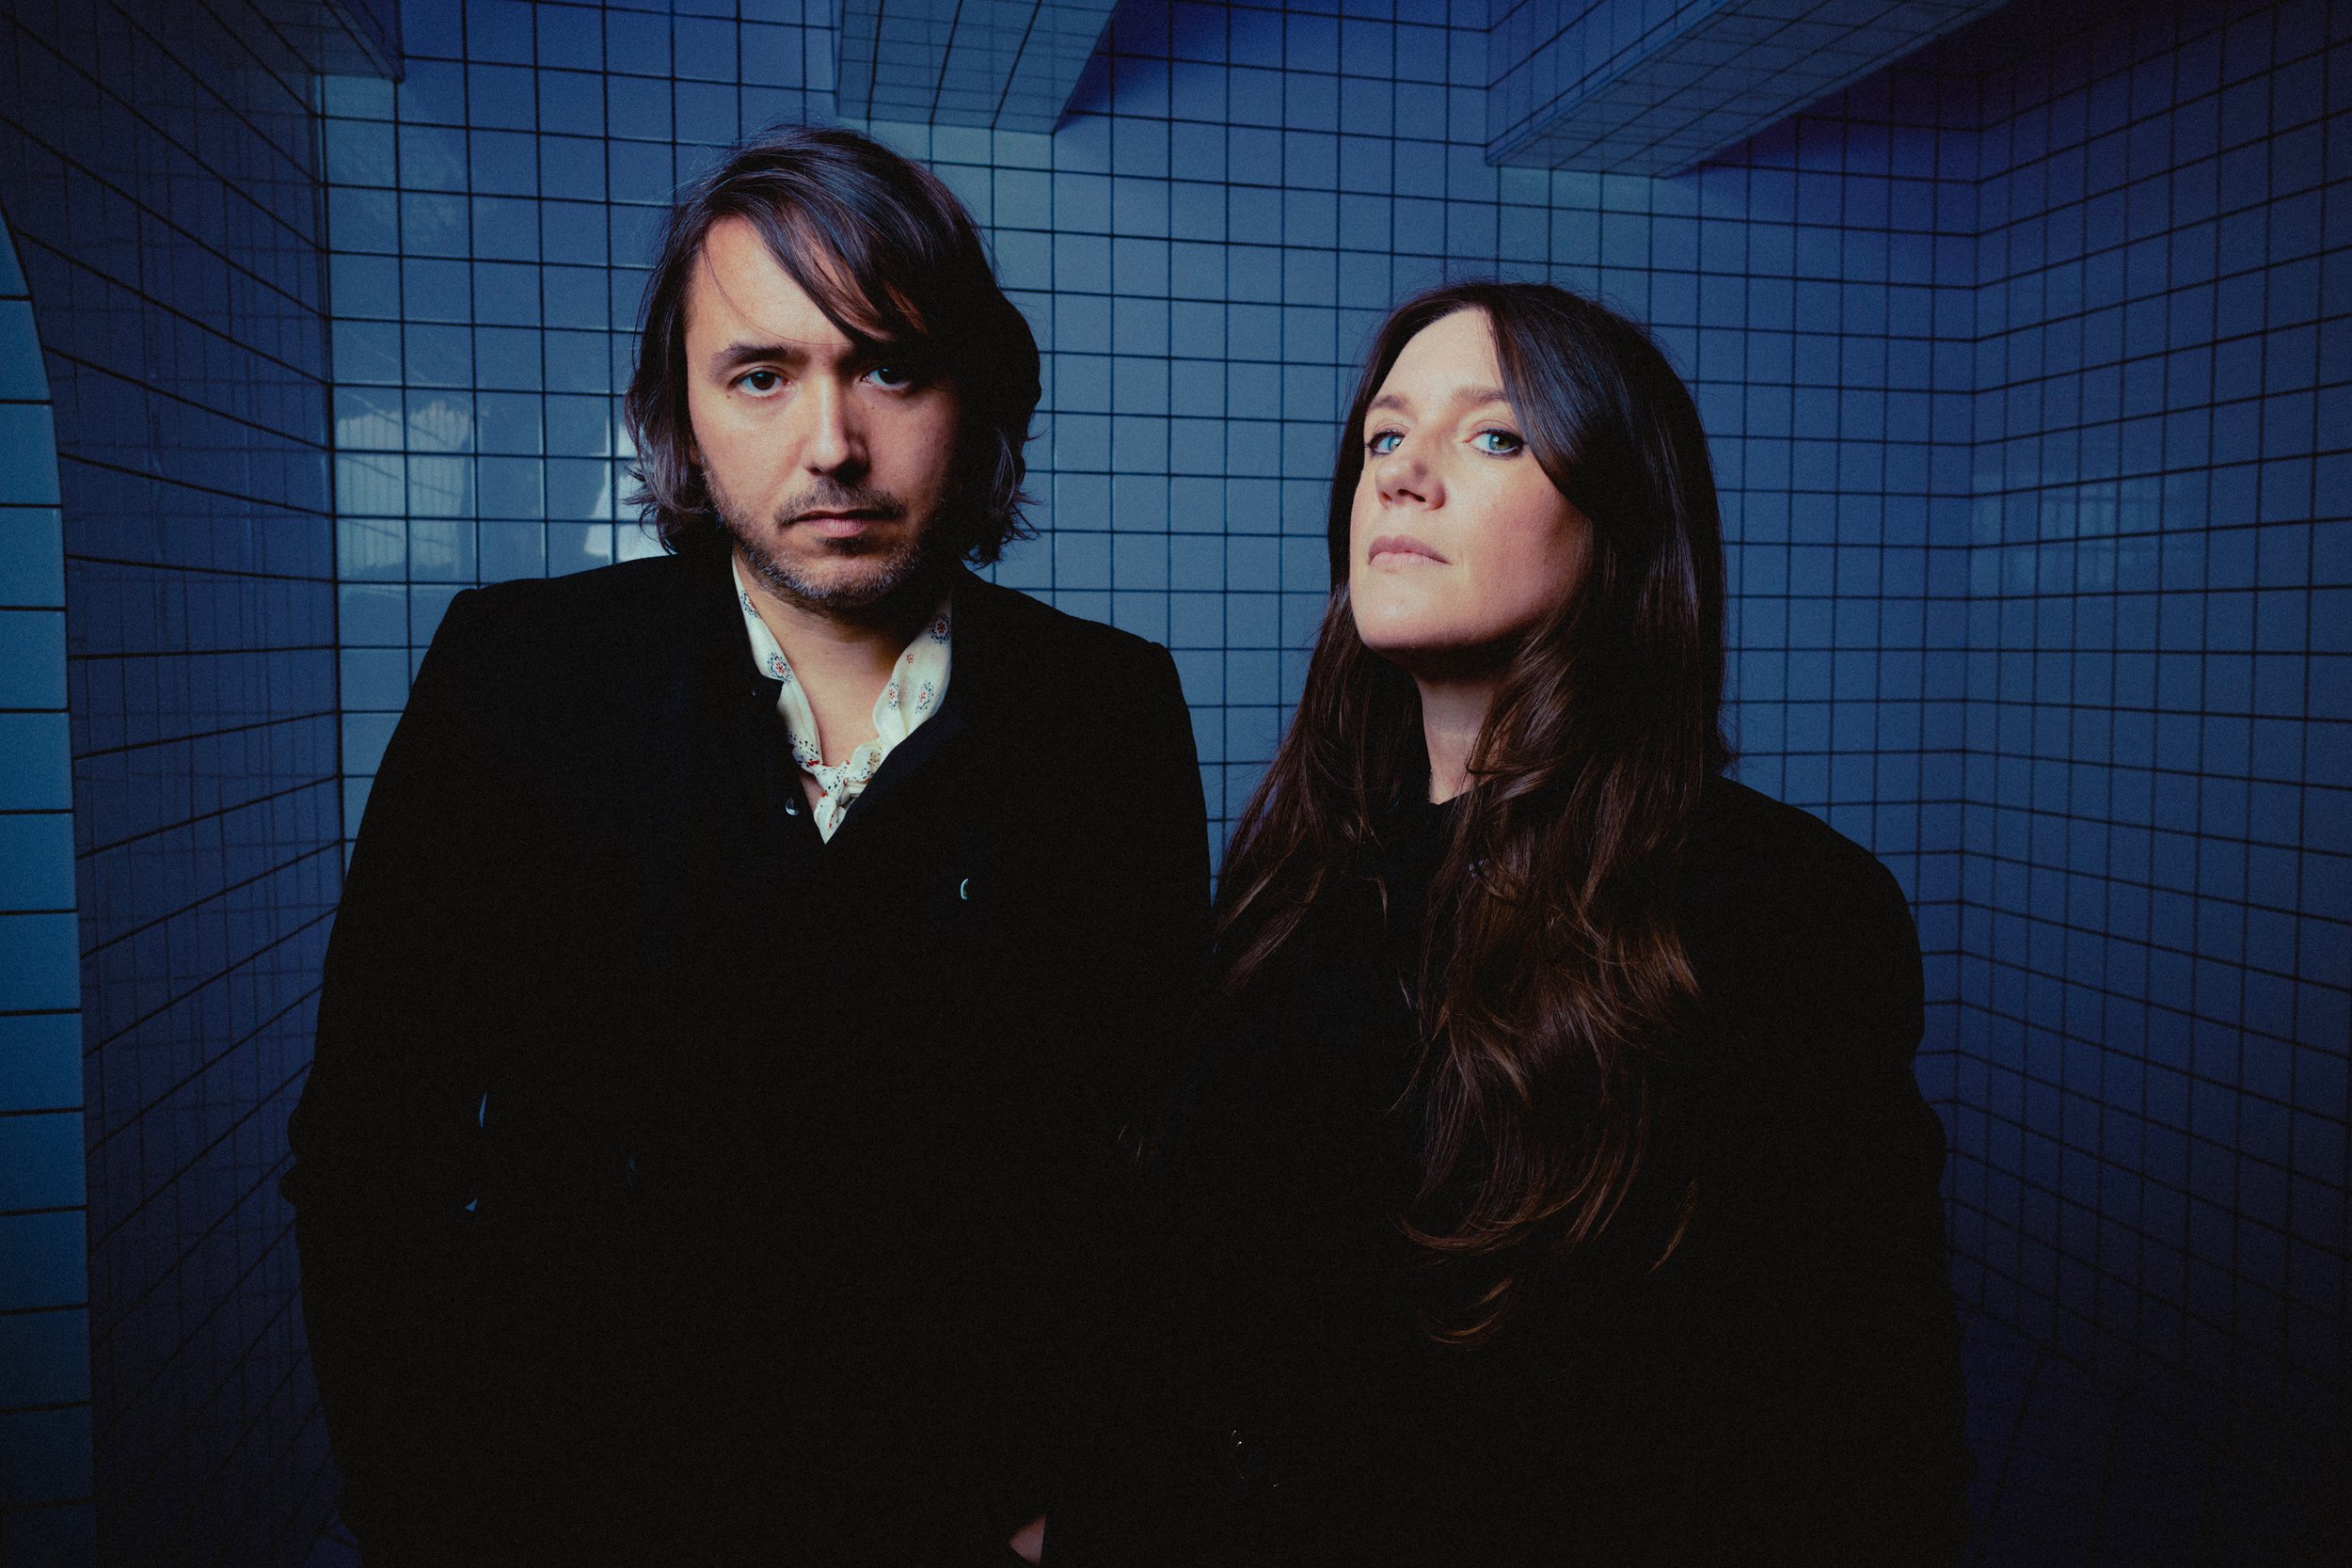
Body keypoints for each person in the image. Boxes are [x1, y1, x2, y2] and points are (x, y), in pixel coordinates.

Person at [284, 125, 1209, 1566]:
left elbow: (1151, 1160)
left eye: (889, 368)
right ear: (683, 414)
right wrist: (428, 1516)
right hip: (589, 1516)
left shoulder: (1106, 710)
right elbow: (369, 1147)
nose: (831, 444)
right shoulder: (520, 678)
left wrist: (1084, 1506)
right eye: (762, 375)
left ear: (976, 399)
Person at [1055, 282, 1971, 1565]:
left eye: (1494, 437)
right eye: (1384, 436)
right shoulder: (1301, 878)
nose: (1401, 476)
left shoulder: (1779, 910)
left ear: (1620, 523)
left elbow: (1868, 1430)